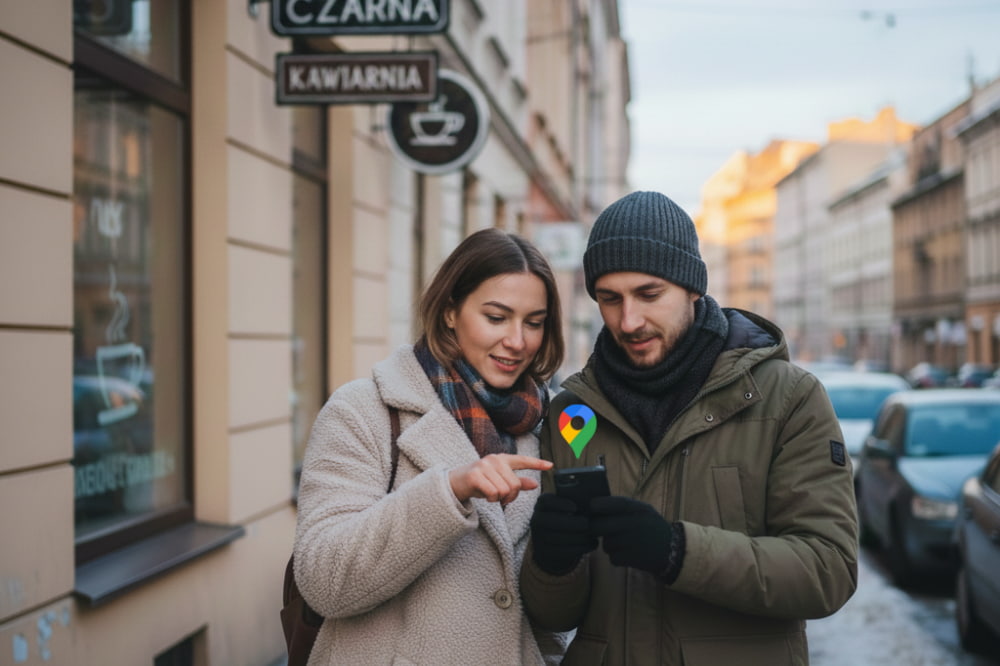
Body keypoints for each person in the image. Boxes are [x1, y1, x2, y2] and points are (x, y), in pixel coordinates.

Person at [520, 191, 858, 665]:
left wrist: (679, 551)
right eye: (609, 299)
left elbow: (828, 572)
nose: (628, 320)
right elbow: (554, 616)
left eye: (649, 294)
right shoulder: (573, 412)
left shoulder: (788, 398)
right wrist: (553, 565)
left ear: (693, 288)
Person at [293, 227, 569, 665]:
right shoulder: (365, 410)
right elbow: (324, 579)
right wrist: (448, 490)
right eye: (496, 318)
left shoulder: (553, 423)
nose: (518, 341)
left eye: (533, 323)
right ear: (449, 312)